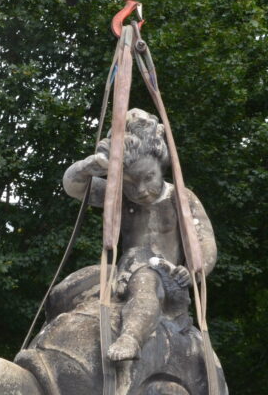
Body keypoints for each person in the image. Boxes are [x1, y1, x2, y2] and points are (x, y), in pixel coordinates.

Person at [61, 108, 217, 361]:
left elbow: (205, 241)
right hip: (124, 270)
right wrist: (88, 166)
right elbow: (73, 187)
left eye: (148, 177)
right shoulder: (118, 197)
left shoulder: (180, 198)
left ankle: (131, 338)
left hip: (165, 276)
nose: (141, 189)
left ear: (161, 166)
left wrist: (194, 271)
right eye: (131, 183)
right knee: (72, 285)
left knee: (145, 279)